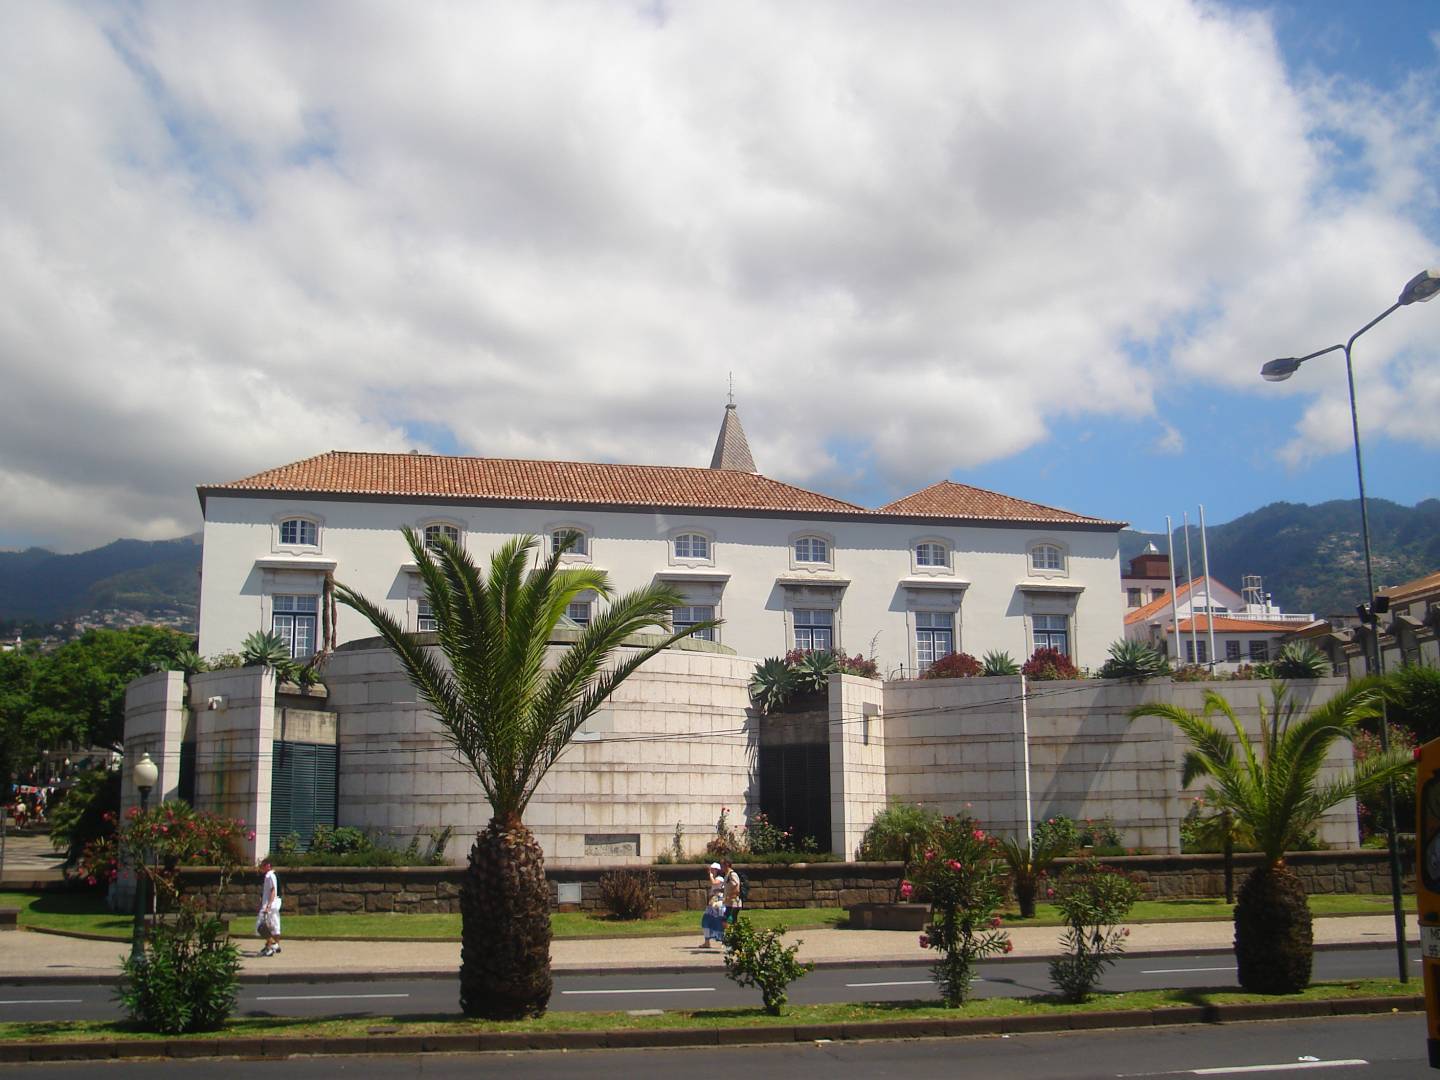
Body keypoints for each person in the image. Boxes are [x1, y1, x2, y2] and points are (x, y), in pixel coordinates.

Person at [257, 858, 282, 956]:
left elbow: (273, 891)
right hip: (274, 903)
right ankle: (270, 946)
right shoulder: (274, 874)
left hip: (270, 904)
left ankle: (273, 944)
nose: (261, 868)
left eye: (262, 866)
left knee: (261, 926)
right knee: (273, 926)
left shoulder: (269, 875)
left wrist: (268, 905)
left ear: (268, 865)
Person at [699, 862, 726, 948]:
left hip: (718, 904)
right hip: (712, 903)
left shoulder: (720, 878)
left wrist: (710, 876)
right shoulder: (715, 877)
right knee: (706, 920)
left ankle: (723, 941)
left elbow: (715, 883)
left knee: (720, 921)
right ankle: (707, 942)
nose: (711, 871)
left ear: (717, 870)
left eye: (713, 870)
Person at [721, 858, 742, 924]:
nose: (721, 867)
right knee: (730, 922)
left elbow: (737, 888)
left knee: (728, 922)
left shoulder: (732, 874)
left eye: (722, 865)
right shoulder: (727, 875)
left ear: (727, 864)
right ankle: (734, 933)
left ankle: (735, 933)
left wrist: (729, 897)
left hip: (734, 903)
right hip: (728, 904)